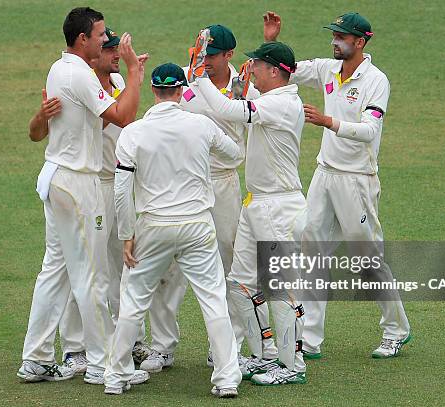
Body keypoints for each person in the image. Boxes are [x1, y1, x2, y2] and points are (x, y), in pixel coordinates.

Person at [263, 11, 411, 358]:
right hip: (324, 174)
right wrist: (271, 43)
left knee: (367, 261)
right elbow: (286, 70)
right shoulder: (328, 69)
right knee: (311, 250)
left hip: (357, 181)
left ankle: (396, 330)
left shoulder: (376, 81)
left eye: (342, 37)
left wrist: (329, 121)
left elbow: (369, 131)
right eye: (334, 35)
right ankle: (310, 339)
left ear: (360, 42)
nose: (335, 41)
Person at [137, 24, 277, 374]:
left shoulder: (246, 88)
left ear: (229, 55)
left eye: (213, 56)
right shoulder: (183, 80)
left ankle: (225, 347)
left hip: (223, 184)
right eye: (202, 55)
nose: (206, 61)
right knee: (166, 267)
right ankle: (163, 346)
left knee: (230, 264)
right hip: (180, 185)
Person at [17, 7, 146, 384]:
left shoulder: (60, 69)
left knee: (55, 272)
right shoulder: (79, 74)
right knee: (92, 276)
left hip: (59, 178)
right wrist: (134, 72)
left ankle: (36, 358)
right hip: (77, 184)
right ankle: (104, 365)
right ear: (82, 40)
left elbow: (103, 116)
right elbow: (123, 116)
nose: (107, 40)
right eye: (101, 35)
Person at [104, 63, 243, 397]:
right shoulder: (201, 125)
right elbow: (235, 154)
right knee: (213, 299)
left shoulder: (133, 132)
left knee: (134, 299)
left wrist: (126, 234)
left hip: (153, 225)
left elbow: (122, 190)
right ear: (181, 91)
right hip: (197, 223)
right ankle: (226, 379)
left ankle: (115, 376)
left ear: (154, 91)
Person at [192, 41, 308, 385]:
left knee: (282, 289)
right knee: (241, 284)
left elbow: (228, 111)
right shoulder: (269, 99)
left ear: (275, 71)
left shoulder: (283, 103)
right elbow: (243, 103)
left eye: (256, 64)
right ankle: (263, 356)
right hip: (255, 202)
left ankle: (292, 365)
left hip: (279, 206)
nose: (251, 69)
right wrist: (243, 90)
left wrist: (199, 75)